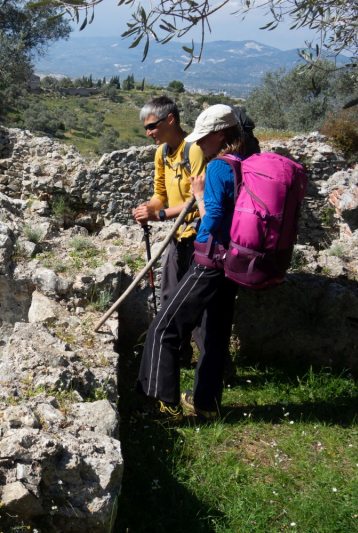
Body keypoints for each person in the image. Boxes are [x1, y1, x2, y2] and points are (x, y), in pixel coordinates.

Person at [136, 104, 244, 423]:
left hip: (209, 257)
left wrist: (198, 196)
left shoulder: (217, 168)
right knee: (214, 331)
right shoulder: (242, 164)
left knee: (164, 328)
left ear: (220, 135)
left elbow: (210, 220)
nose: (200, 144)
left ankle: (164, 406)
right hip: (233, 260)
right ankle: (207, 405)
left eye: (205, 138)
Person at [133, 96, 207, 363]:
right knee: (169, 297)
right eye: (146, 128)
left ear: (170, 119)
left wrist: (160, 214)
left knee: (197, 303)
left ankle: (214, 366)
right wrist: (148, 210)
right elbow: (159, 194)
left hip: (199, 237)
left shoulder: (195, 150)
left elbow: (201, 202)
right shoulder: (162, 153)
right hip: (178, 236)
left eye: (152, 126)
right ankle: (178, 356)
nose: (149, 133)